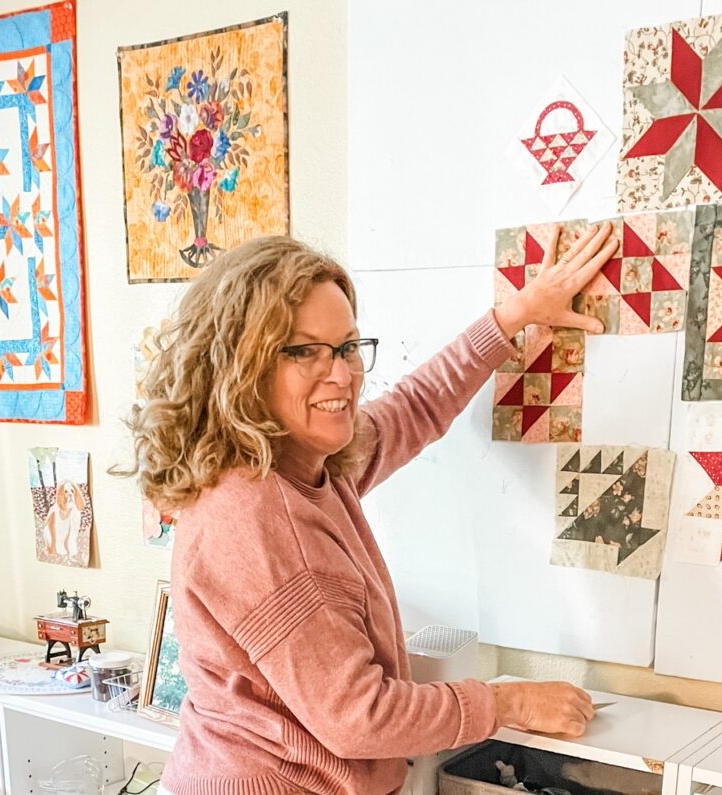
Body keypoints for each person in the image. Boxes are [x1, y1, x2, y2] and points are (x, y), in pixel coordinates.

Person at [127, 222, 619, 795]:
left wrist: (515, 315)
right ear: (243, 367)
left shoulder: (303, 460)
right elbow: (359, 716)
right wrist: (508, 702)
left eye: (347, 347)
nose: (342, 374)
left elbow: (414, 408)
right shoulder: (253, 512)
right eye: (305, 351)